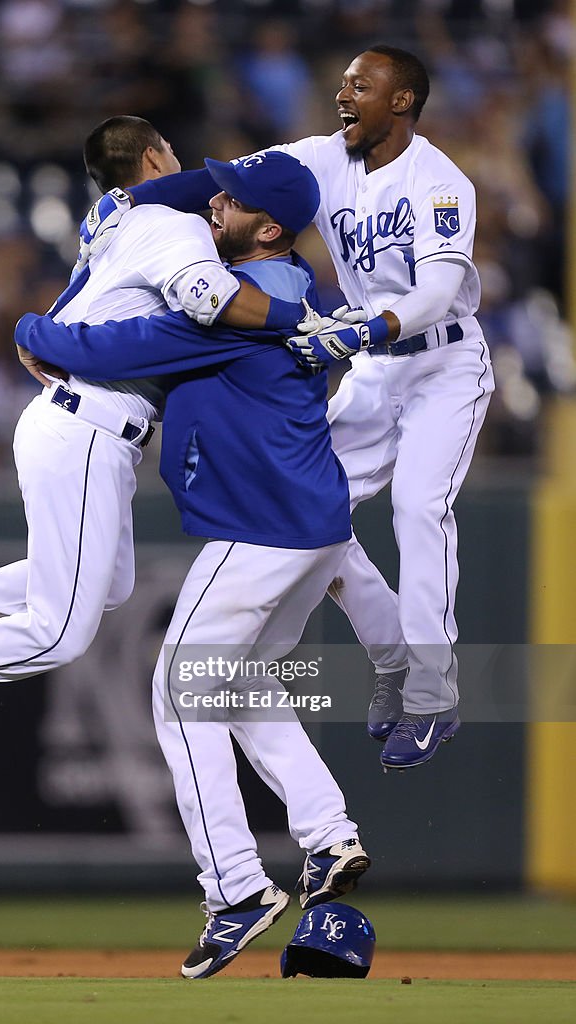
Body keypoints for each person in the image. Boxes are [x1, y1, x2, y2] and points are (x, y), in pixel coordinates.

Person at [0, 116, 313, 781]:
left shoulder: (118, 216)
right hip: (87, 424)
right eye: (183, 163)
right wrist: (303, 319)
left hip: (74, 419)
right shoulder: (173, 228)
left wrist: (35, 330)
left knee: (108, 584)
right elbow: (210, 299)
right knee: (60, 630)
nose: (212, 195)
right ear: (155, 157)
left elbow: (91, 285)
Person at [76, 45, 495, 771]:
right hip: (369, 363)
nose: (343, 94)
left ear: (401, 101)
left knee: (419, 509)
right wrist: (129, 201)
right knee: (318, 512)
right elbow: (220, 180)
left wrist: (367, 327)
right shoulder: (321, 156)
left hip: (443, 361)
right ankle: (395, 657)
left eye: (360, 86)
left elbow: (432, 296)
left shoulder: (439, 182)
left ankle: (433, 694)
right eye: (342, 82)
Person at [15, 150, 370, 980]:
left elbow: (111, 348)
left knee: (178, 688)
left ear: (271, 228)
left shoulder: (238, 309)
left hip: (262, 529)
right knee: (234, 683)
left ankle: (236, 888)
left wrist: (31, 329)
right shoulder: (290, 290)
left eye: (236, 199)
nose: (217, 200)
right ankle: (326, 833)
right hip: (311, 526)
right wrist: (141, 193)